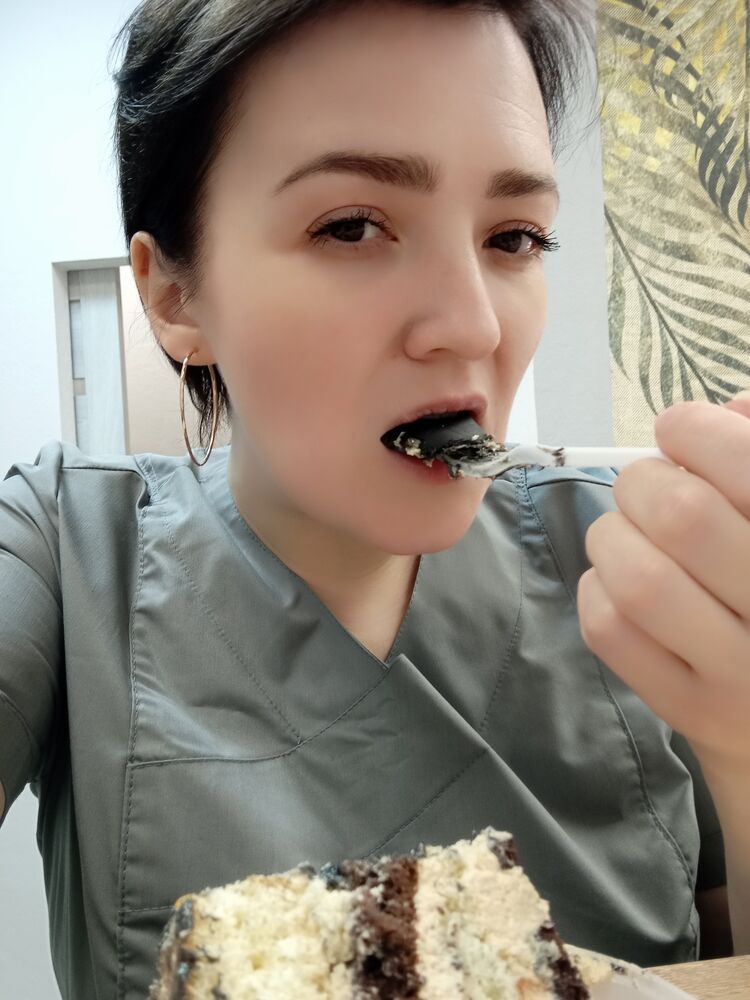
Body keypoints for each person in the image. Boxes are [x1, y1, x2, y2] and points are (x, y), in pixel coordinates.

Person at [1, 1, 747, 997]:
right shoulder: (62, 553)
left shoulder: (645, 567)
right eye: (351, 226)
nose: (473, 326)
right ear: (174, 294)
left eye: (515, 236)